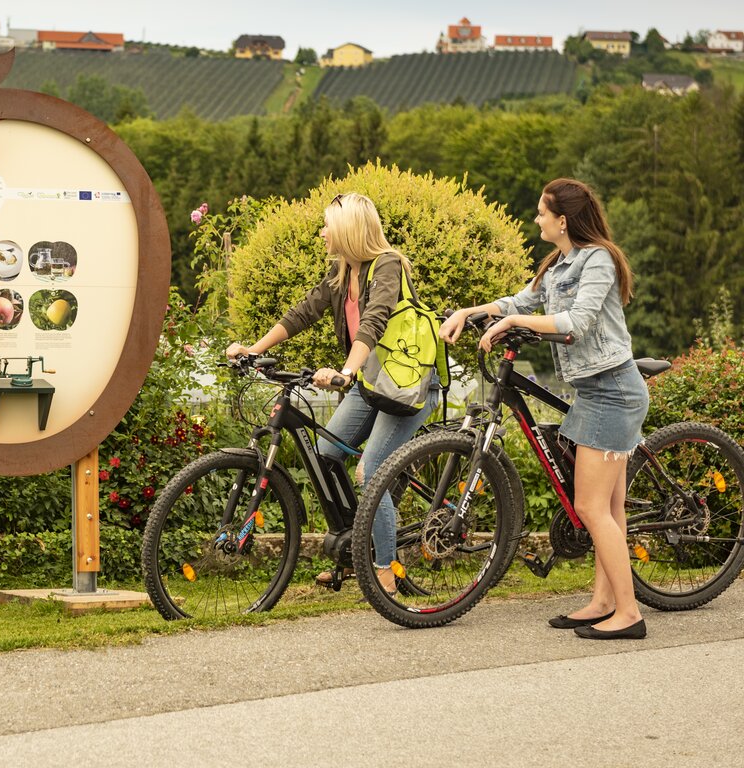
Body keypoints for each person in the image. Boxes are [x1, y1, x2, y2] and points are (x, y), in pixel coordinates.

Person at [440, 178, 649, 640]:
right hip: (595, 391)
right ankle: (603, 601)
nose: (536, 219)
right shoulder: (557, 265)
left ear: (562, 220)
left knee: (592, 507)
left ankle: (630, 614)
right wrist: (471, 313)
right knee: (610, 509)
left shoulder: (598, 260)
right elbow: (521, 300)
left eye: (541, 212)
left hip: (613, 390)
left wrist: (514, 321)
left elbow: (578, 323)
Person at [226, 192, 440, 593]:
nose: (323, 232)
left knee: (374, 471)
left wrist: (345, 372)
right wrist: (253, 350)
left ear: (348, 230)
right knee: (327, 455)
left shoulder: (388, 265)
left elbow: (374, 320)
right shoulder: (343, 272)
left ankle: (384, 565)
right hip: (371, 385)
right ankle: (358, 546)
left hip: (406, 388)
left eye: (328, 225)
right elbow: (304, 312)